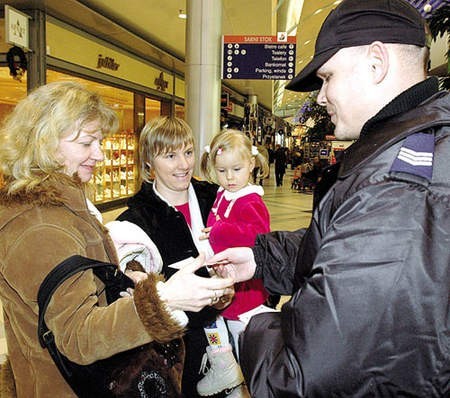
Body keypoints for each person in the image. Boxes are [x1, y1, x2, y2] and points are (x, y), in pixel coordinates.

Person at [207, 0, 450, 396]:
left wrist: (255, 323)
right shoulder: (410, 153)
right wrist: (261, 258)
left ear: (376, 62)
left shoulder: (400, 186)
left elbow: (301, 379)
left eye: (327, 77)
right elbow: (349, 243)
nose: (320, 97)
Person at [0, 82, 234, 397]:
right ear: (44, 142)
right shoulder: (40, 226)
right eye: (86, 143)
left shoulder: (57, 206)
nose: (98, 154)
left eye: (99, 142)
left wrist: (127, 280)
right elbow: (79, 336)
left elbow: (79, 288)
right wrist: (163, 301)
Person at [116, 116, 231, 398]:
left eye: (188, 152)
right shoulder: (135, 221)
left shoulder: (218, 199)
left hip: (228, 337)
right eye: (170, 155)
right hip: (179, 353)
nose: (184, 165)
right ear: (149, 163)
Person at [197, 130, 270, 397]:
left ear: (251, 164)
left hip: (245, 292)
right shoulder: (224, 193)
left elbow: (258, 234)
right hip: (224, 284)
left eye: (236, 169)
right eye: (222, 170)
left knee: (245, 346)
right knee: (212, 323)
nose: (229, 178)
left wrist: (216, 232)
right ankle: (223, 367)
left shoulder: (250, 199)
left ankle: (247, 386)